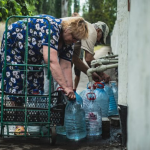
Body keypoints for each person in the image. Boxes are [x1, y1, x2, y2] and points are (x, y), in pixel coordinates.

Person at [0, 14, 88, 101]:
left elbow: (66, 66)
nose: (74, 41)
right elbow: (51, 60)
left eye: (77, 40)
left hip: (33, 52)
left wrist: (69, 89)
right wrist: (64, 86)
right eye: (73, 38)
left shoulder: (69, 42)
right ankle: (16, 110)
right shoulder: (52, 28)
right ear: (67, 29)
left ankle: (30, 111)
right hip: (15, 44)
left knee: (35, 87)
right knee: (17, 84)